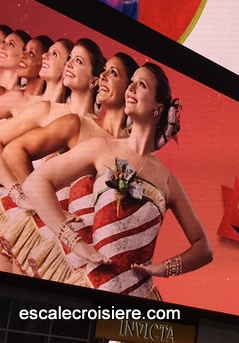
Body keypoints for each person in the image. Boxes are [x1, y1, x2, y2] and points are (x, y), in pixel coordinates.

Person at [24, 62, 212, 297]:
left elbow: (203, 248)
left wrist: (163, 268)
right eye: (131, 82)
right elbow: (35, 183)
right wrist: (74, 242)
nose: (131, 88)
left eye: (141, 85)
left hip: (139, 300)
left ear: (158, 109)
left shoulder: (167, 181)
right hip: (91, 288)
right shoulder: (101, 148)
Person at [1, 52, 137, 281]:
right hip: (32, 235)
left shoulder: (130, 152)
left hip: (74, 258)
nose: (103, 76)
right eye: (103, 71)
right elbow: (14, 150)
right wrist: (35, 198)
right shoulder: (77, 124)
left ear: (129, 91)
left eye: (112, 73)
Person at [0, 38, 71, 119]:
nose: (44, 56)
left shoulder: (67, 116)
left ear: (66, 67)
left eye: (54, 54)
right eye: (48, 51)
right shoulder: (20, 99)